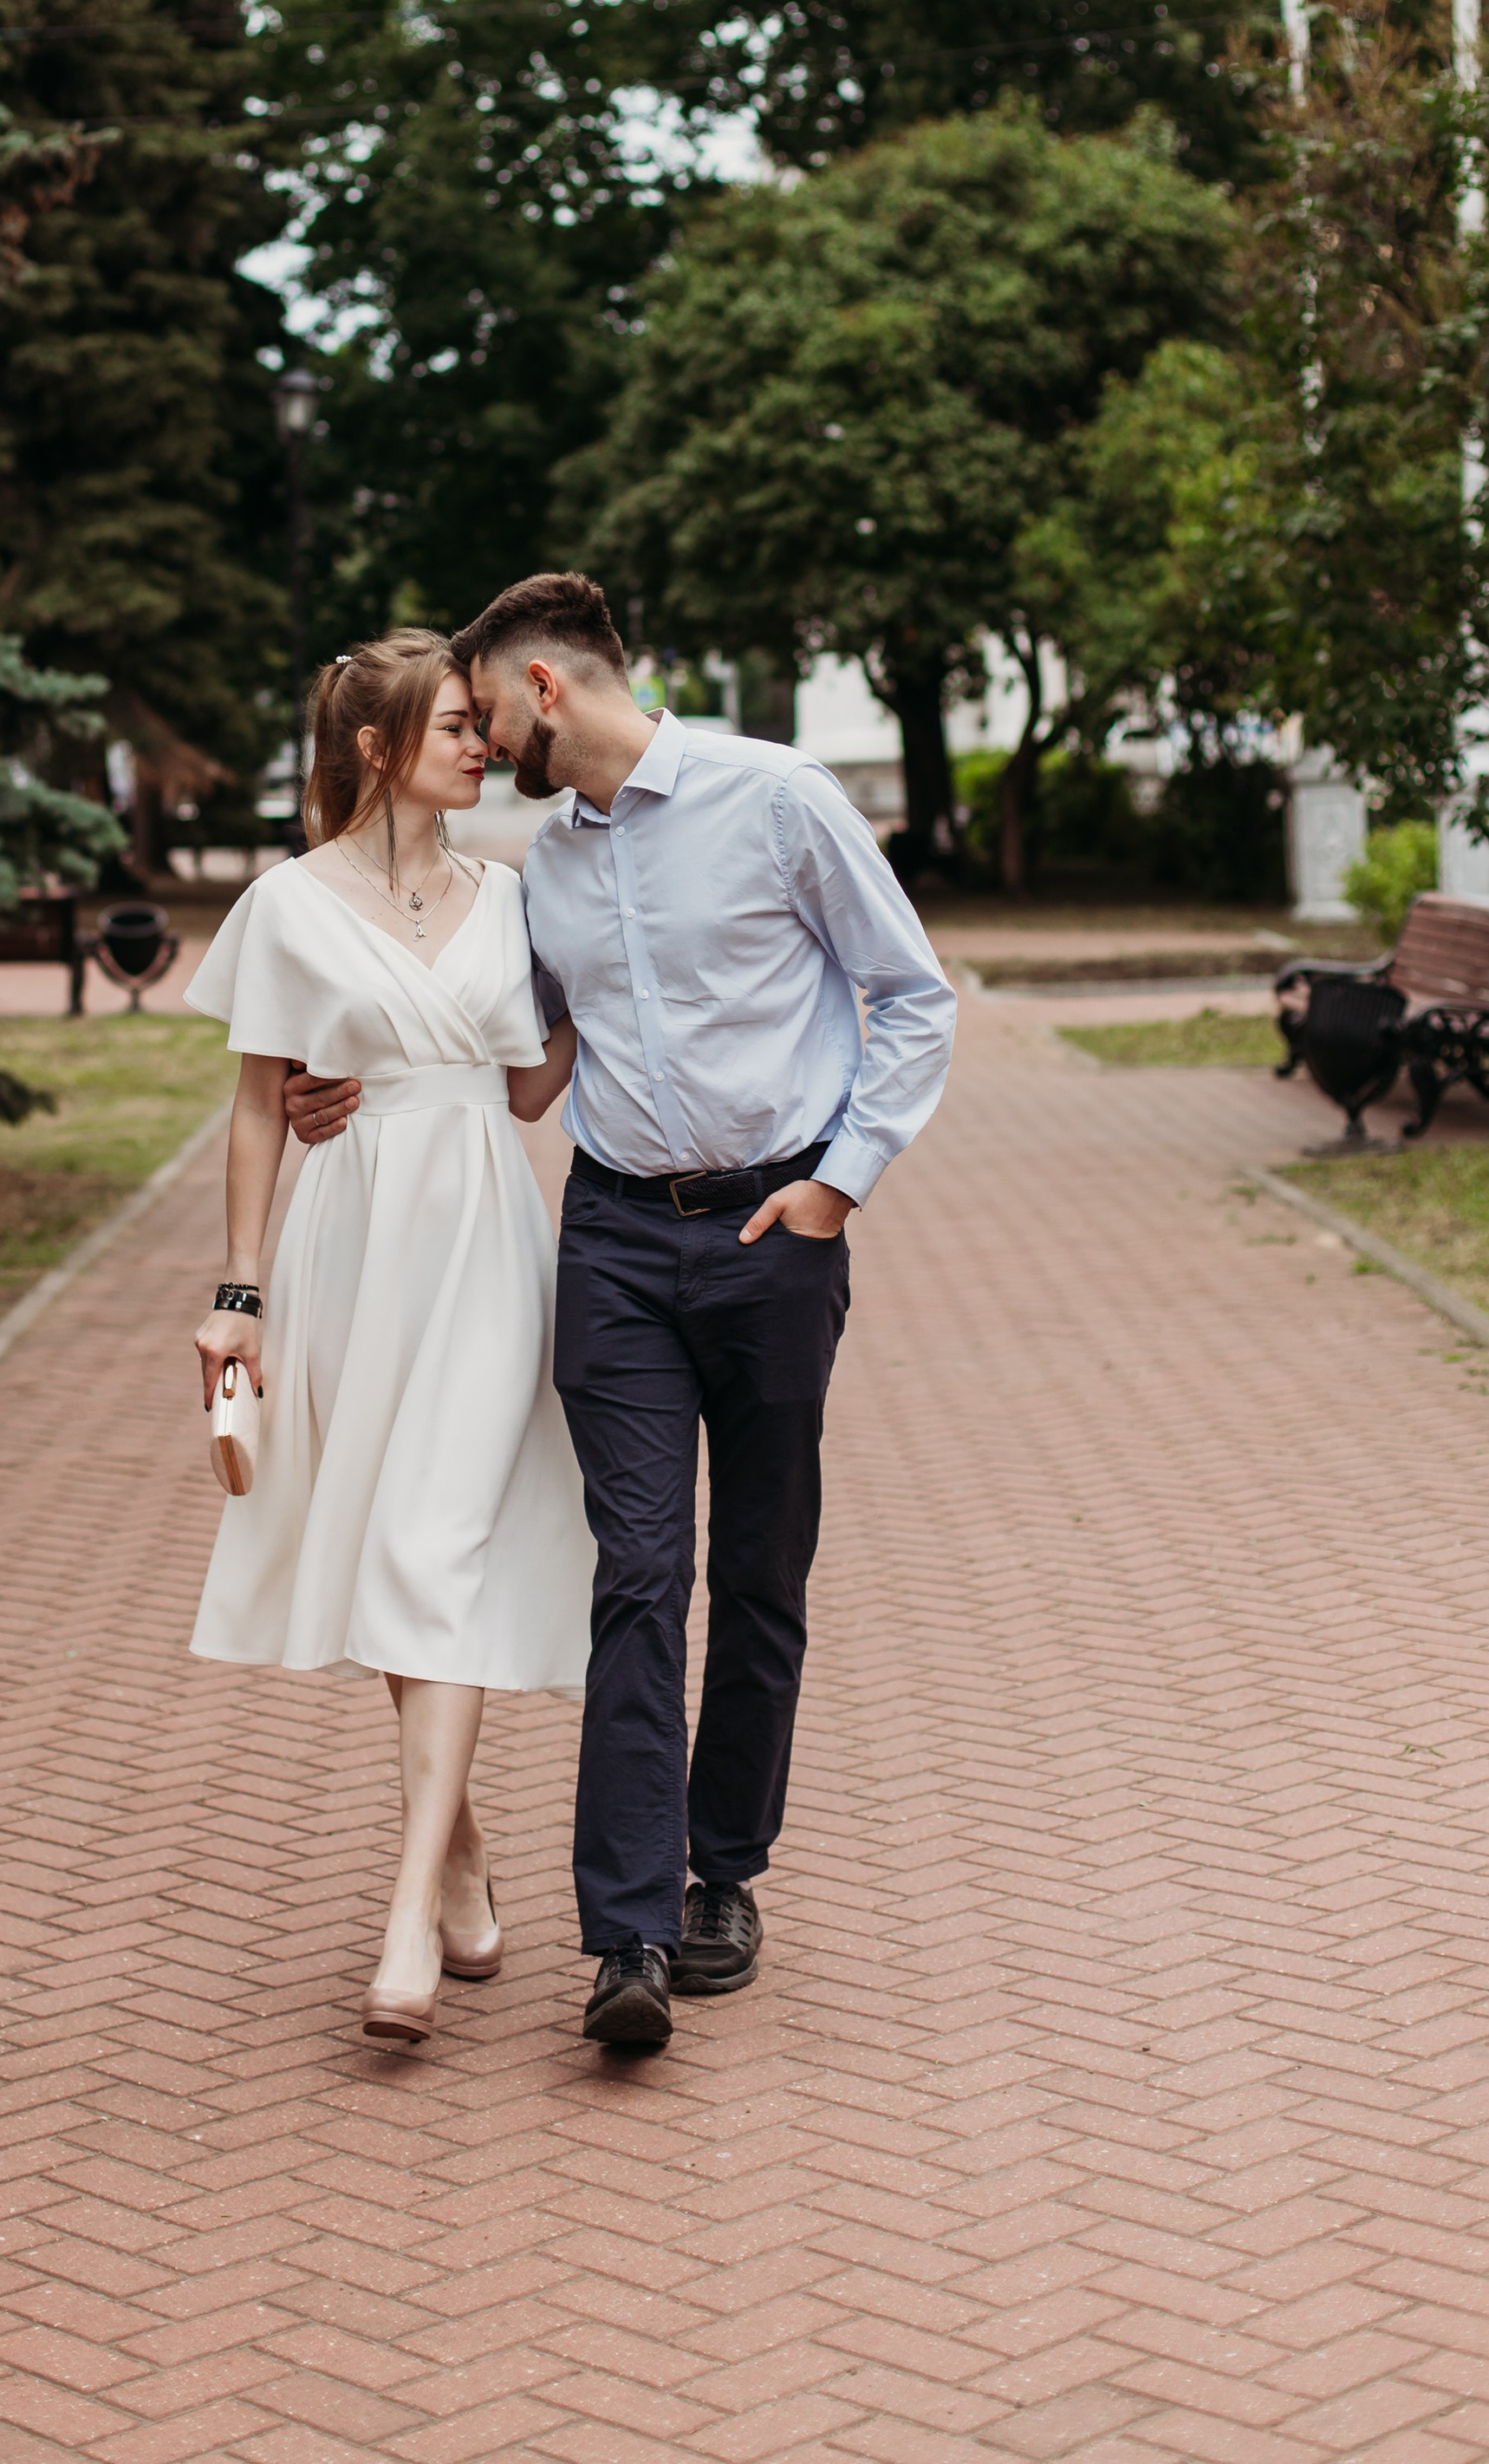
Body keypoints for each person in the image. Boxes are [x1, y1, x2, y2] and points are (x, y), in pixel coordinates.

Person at [289, 574, 956, 2052]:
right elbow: (512, 1068)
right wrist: (336, 1081)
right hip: (614, 1243)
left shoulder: (779, 797)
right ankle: (629, 1930)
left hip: (778, 1224)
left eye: (481, 712)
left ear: (543, 692)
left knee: (762, 1568)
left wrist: (841, 1188)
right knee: (639, 1573)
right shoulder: (549, 867)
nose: (479, 744)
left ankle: (727, 1872)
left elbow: (911, 997)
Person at [185, 630, 591, 2049]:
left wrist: (609, 993)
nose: (483, 748)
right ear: (379, 746)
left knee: (432, 1548)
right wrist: (238, 1294)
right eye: (458, 726)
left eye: (484, 727)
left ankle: (409, 1908)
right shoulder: (288, 907)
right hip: (353, 1242)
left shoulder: (513, 892)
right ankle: (462, 1845)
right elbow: (258, 1106)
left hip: (486, 1236)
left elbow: (535, 1088)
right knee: (391, 1549)